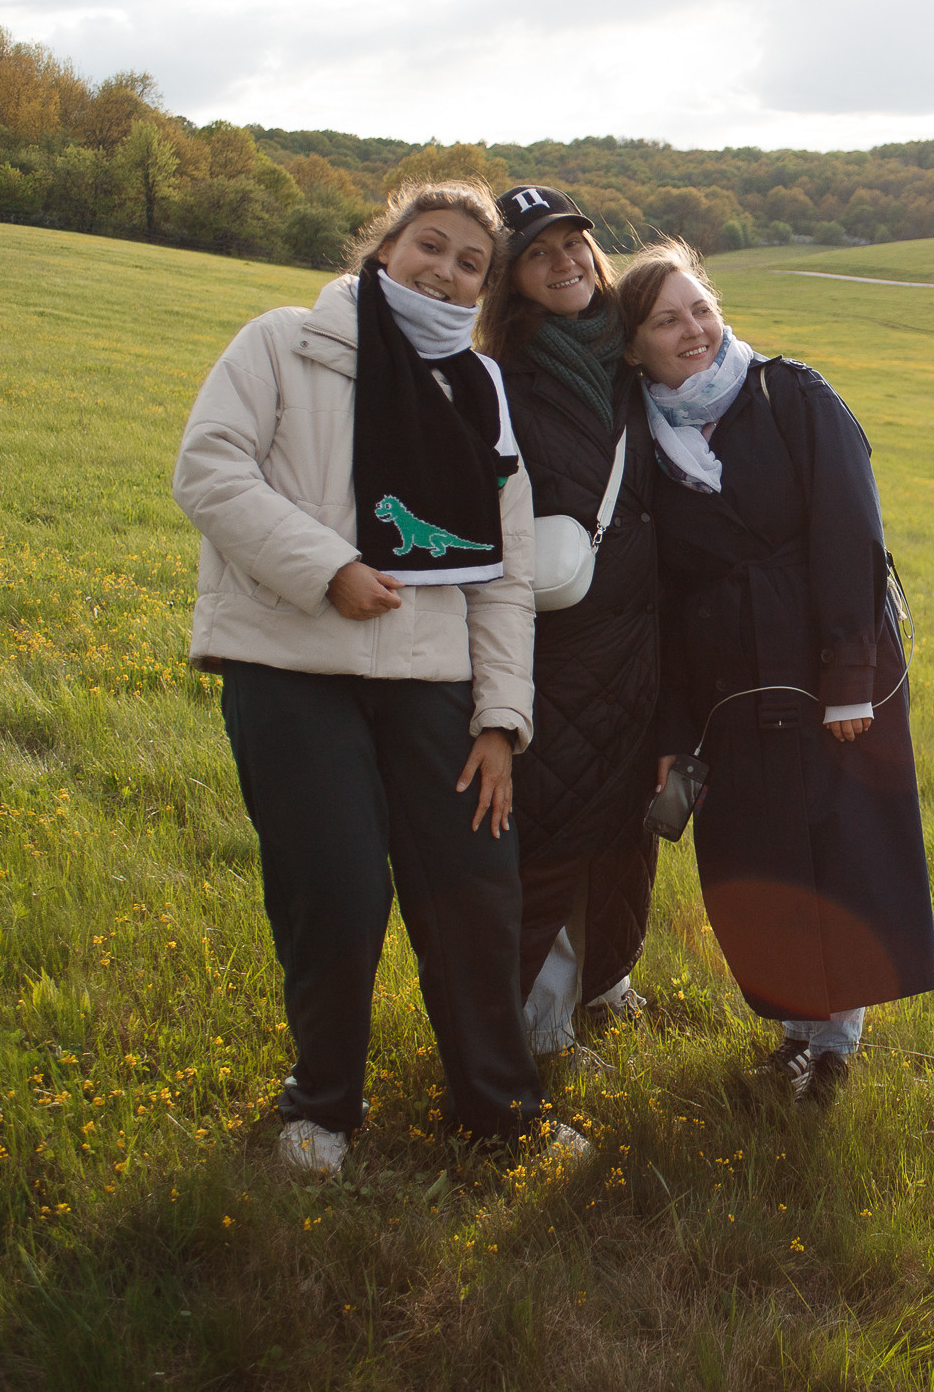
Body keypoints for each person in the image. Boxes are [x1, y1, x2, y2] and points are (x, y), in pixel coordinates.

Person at [173, 179, 574, 1177]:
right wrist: (328, 569)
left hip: (431, 677)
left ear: (484, 289)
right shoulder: (281, 343)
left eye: (469, 262)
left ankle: (499, 1111)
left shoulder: (479, 392)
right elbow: (211, 471)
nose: (444, 269)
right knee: (335, 891)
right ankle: (323, 1104)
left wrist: (499, 719)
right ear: (384, 245)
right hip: (290, 663)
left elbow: (505, 568)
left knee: (476, 890)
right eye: (428, 245)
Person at [617, 243, 934, 1105]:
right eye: (666, 320)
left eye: (700, 308)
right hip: (733, 685)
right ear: (635, 345)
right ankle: (796, 1031)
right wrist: (677, 732)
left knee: (841, 854)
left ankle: (833, 1047)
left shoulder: (791, 394)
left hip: (828, 670)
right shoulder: (645, 438)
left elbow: (849, 533)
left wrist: (848, 676)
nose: (693, 330)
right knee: (766, 860)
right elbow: (668, 597)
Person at [478, 185, 661, 1061]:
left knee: (621, 829)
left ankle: (604, 982)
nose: (565, 263)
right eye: (539, 253)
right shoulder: (502, 379)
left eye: (574, 244)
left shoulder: (636, 367)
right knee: (551, 835)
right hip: (554, 645)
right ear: (512, 278)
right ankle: (541, 1028)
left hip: (640, 642)